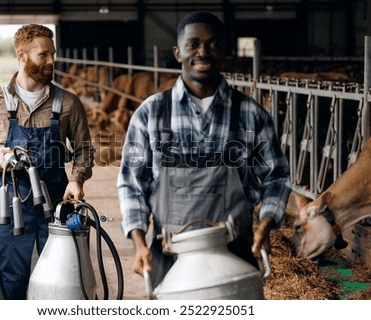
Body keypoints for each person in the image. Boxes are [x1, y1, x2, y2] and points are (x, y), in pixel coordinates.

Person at [117, 11, 292, 289]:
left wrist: (266, 224)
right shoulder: (151, 112)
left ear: (224, 51)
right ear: (177, 52)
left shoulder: (250, 113)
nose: (203, 52)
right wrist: (139, 242)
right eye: (193, 44)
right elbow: (131, 184)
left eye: (213, 44)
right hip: (170, 256)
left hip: (235, 253)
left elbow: (278, 177)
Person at [0, 24, 94, 299]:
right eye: (43, 55)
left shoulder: (68, 103)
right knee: (12, 279)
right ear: (22, 56)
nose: (51, 61)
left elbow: (84, 149)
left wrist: (76, 179)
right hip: (12, 204)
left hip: (59, 202)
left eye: (52, 54)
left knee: (67, 279)